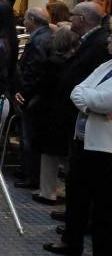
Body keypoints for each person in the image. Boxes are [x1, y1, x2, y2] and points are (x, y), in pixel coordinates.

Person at [43, 18, 112, 256]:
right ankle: (71, 241)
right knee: (77, 194)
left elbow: (105, 100)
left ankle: (103, 255)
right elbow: (77, 90)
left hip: (106, 148)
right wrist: (90, 103)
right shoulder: (106, 64)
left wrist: (91, 101)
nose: (108, 40)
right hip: (84, 139)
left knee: (104, 202)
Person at [34, 25, 79, 204]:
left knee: (49, 156)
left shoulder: (51, 63)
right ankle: (68, 192)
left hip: (50, 113)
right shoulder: (76, 63)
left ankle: (47, 192)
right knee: (67, 156)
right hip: (69, 113)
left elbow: (43, 88)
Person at [13, 8, 52, 195]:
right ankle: (29, 172)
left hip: (33, 97)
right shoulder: (45, 36)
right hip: (37, 95)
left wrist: (24, 92)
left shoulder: (38, 39)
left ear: (31, 20)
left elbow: (34, 70)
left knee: (29, 137)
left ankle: (31, 175)